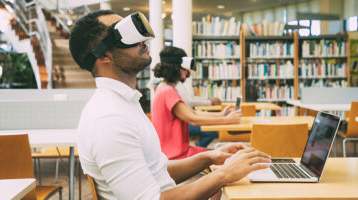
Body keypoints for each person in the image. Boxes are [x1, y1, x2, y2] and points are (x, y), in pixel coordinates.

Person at [70, 10, 270, 199]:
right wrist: (224, 174)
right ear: (103, 56)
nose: (143, 40)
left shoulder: (124, 104)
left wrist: (209, 158)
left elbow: (157, 172)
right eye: (125, 33)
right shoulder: (109, 119)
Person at [152, 46, 243, 159]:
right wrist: (227, 120)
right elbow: (193, 119)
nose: (187, 71)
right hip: (175, 156)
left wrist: (221, 114)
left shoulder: (163, 88)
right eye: (184, 68)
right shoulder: (167, 92)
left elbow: (193, 113)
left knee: (226, 153)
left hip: (176, 152)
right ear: (175, 68)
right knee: (230, 157)